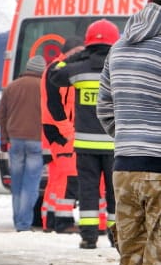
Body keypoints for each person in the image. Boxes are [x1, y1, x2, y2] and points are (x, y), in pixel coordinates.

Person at [98, 0, 161, 265]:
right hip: (160, 169)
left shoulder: (120, 47)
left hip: (124, 167)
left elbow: (106, 108)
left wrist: (129, 136)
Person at [51, 19, 120, 249]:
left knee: (88, 189)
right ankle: (115, 236)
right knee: (114, 193)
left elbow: (55, 74)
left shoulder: (78, 70)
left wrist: (75, 57)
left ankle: (89, 237)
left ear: (88, 43)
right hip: (114, 144)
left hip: (85, 144)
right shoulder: (119, 68)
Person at [0, 55, 45, 232]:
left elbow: (1, 115)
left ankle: (18, 220)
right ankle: (24, 224)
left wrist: (4, 137)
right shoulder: (45, 87)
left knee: (16, 182)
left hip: (15, 140)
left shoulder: (12, 86)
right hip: (37, 141)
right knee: (31, 184)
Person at [40, 37, 83, 233]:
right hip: (61, 129)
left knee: (57, 177)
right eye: (80, 51)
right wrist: (67, 129)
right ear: (71, 51)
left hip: (55, 128)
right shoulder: (59, 69)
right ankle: (63, 221)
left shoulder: (56, 68)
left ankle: (49, 219)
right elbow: (54, 102)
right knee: (68, 176)